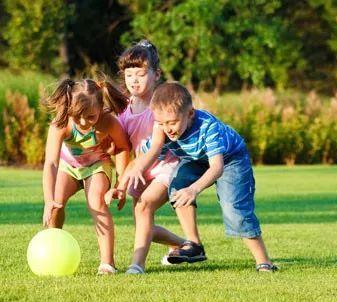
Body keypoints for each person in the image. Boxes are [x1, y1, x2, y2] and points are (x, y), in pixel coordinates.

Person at [125, 82, 278, 272]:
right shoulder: (162, 129)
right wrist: (132, 173)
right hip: (197, 160)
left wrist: (194, 189)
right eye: (162, 123)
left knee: (234, 210)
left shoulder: (207, 126)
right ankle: (194, 245)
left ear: (190, 113)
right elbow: (151, 152)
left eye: (172, 122)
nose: (168, 129)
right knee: (177, 187)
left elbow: (217, 167)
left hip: (230, 159)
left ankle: (264, 261)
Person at [106, 40, 187, 275]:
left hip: (166, 166)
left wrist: (134, 171)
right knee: (143, 222)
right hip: (140, 170)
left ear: (156, 74)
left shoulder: (159, 104)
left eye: (140, 74)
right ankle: (182, 245)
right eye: (129, 74)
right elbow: (121, 147)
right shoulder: (124, 108)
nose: (134, 80)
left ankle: (137, 266)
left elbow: (156, 146)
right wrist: (119, 185)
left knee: (143, 209)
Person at [42, 78, 131, 275]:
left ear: (101, 107)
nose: (83, 122)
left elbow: (123, 148)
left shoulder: (108, 122)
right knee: (57, 204)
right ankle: (52, 250)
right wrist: (48, 200)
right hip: (70, 166)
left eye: (90, 117)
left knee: (96, 202)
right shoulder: (61, 122)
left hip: (97, 165)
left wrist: (120, 184)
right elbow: (51, 163)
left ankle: (107, 264)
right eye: (78, 116)